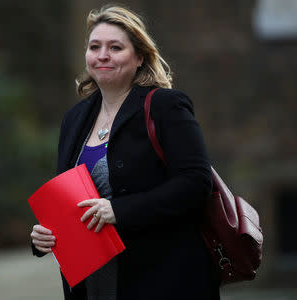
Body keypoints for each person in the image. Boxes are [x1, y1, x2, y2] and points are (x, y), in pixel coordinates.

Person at [30, 5, 219, 300]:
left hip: (163, 277)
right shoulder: (75, 118)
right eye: (95, 47)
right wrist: (46, 235)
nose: (103, 55)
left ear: (139, 56)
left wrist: (118, 210)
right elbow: (68, 200)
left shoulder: (165, 107)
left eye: (115, 47)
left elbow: (196, 183)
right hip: (94, 282)